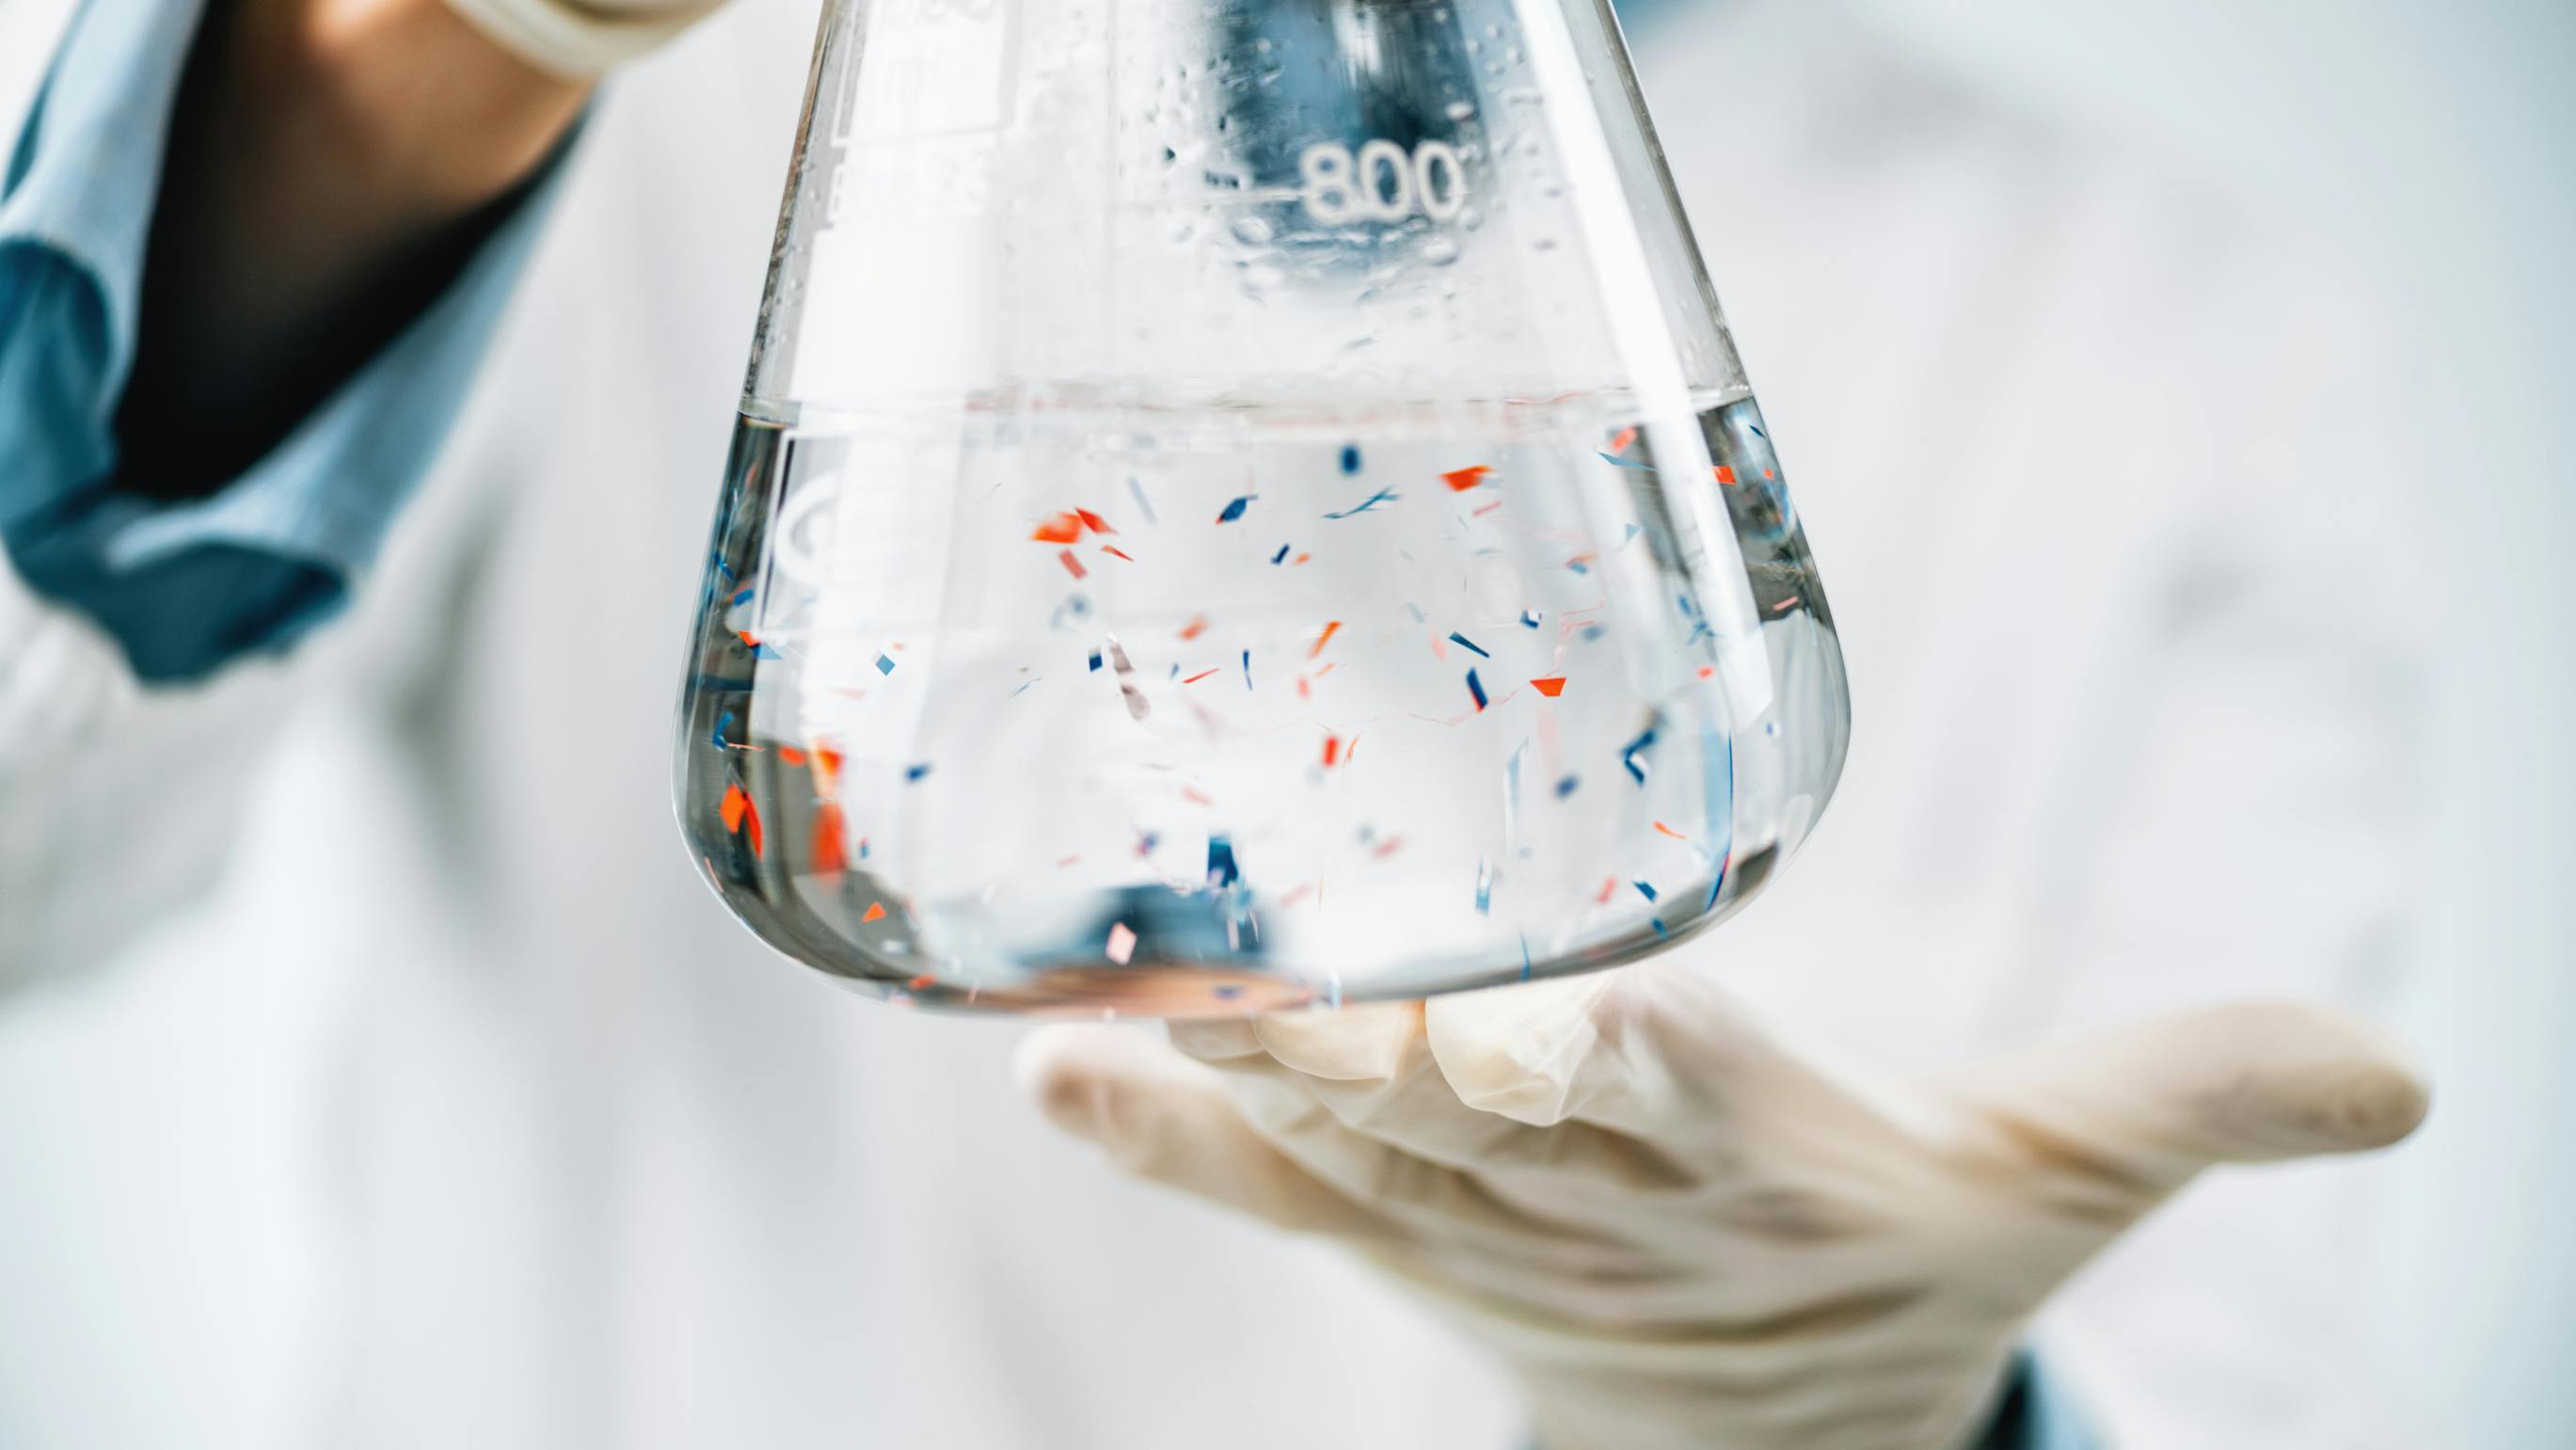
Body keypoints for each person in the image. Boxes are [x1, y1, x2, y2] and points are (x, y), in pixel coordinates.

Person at [0, 0, 2439, 1444]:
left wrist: (1915, 1427)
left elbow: (2214, 1379)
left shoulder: (2166, 331)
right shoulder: (709, 103)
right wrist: (402, 73)